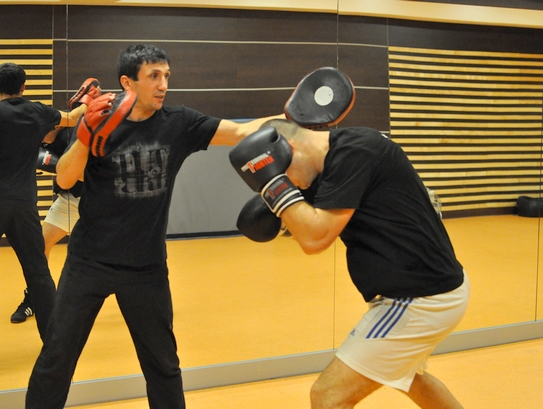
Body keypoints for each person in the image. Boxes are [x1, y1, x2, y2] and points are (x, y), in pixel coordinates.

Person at [25, 44, 283, 409]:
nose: (163, 85)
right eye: (154, 76)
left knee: (163, 366)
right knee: (56, 358)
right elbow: (65, 179)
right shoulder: (99, 121)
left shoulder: (178, 123)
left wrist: (297, 117)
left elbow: (242, 131)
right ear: (127, 82)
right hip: (89, 263)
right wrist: (85, 135)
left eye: (166, 76)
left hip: (145, 268)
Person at [229, 119, 470, 409]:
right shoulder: (322, 171)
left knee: (327, 396)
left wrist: (273, 184)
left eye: (285, 175)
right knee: (411, 379)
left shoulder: (356, 151)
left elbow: (314, 239)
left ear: (289, 149)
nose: (293, 185)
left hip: (419, 299)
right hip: (427, 288)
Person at [0, 62, 98, 373]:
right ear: (24, 87)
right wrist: (88, 101)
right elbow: (72, 118)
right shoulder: (38, 110)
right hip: (24, 204)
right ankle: (54, 341)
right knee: (38, 272)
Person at [10, 126, 83, 323]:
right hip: (69, 202)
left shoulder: (74, 135)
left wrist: (57, 165)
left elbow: (90, 172)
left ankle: (143, 297)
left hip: (96, 202)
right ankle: (34, 298)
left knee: (122, 250)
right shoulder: (43, 142)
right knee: (39, 248)